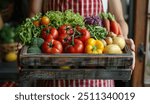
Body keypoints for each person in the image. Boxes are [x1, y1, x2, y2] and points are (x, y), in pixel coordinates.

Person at [29, 0, 135, 87]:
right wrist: (28, 38)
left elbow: (119, 19)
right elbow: (34, 14)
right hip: (55, 69)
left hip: (97, 75)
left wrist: (123, 39)